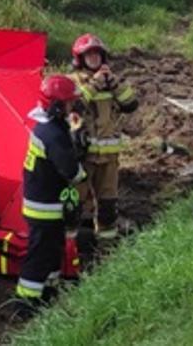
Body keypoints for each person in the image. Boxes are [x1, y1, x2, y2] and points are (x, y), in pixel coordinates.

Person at [14, 75, 85, 316]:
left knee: (53, 253)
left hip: (46, 204)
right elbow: (72, 172)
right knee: (40, 257)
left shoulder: (49, 127)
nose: (72, 106)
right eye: (69, 102)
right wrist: (80, 157)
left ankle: (48, 294)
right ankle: (25, 303)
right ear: (56, 106)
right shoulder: (51, 134)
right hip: (44, 208)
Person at [66, 34, 137, 240]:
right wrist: (94, 85)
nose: (94, 58)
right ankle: (72, 248)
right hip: (83, 156)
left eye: (97, 54)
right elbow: (74, 107)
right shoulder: (72, 81)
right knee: (75, 206)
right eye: (89, 55)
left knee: (108, 206)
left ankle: (106, 248)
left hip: (109, 158)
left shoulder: (112, 80)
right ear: (80, 58)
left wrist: (114, 84)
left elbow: (131, 104)